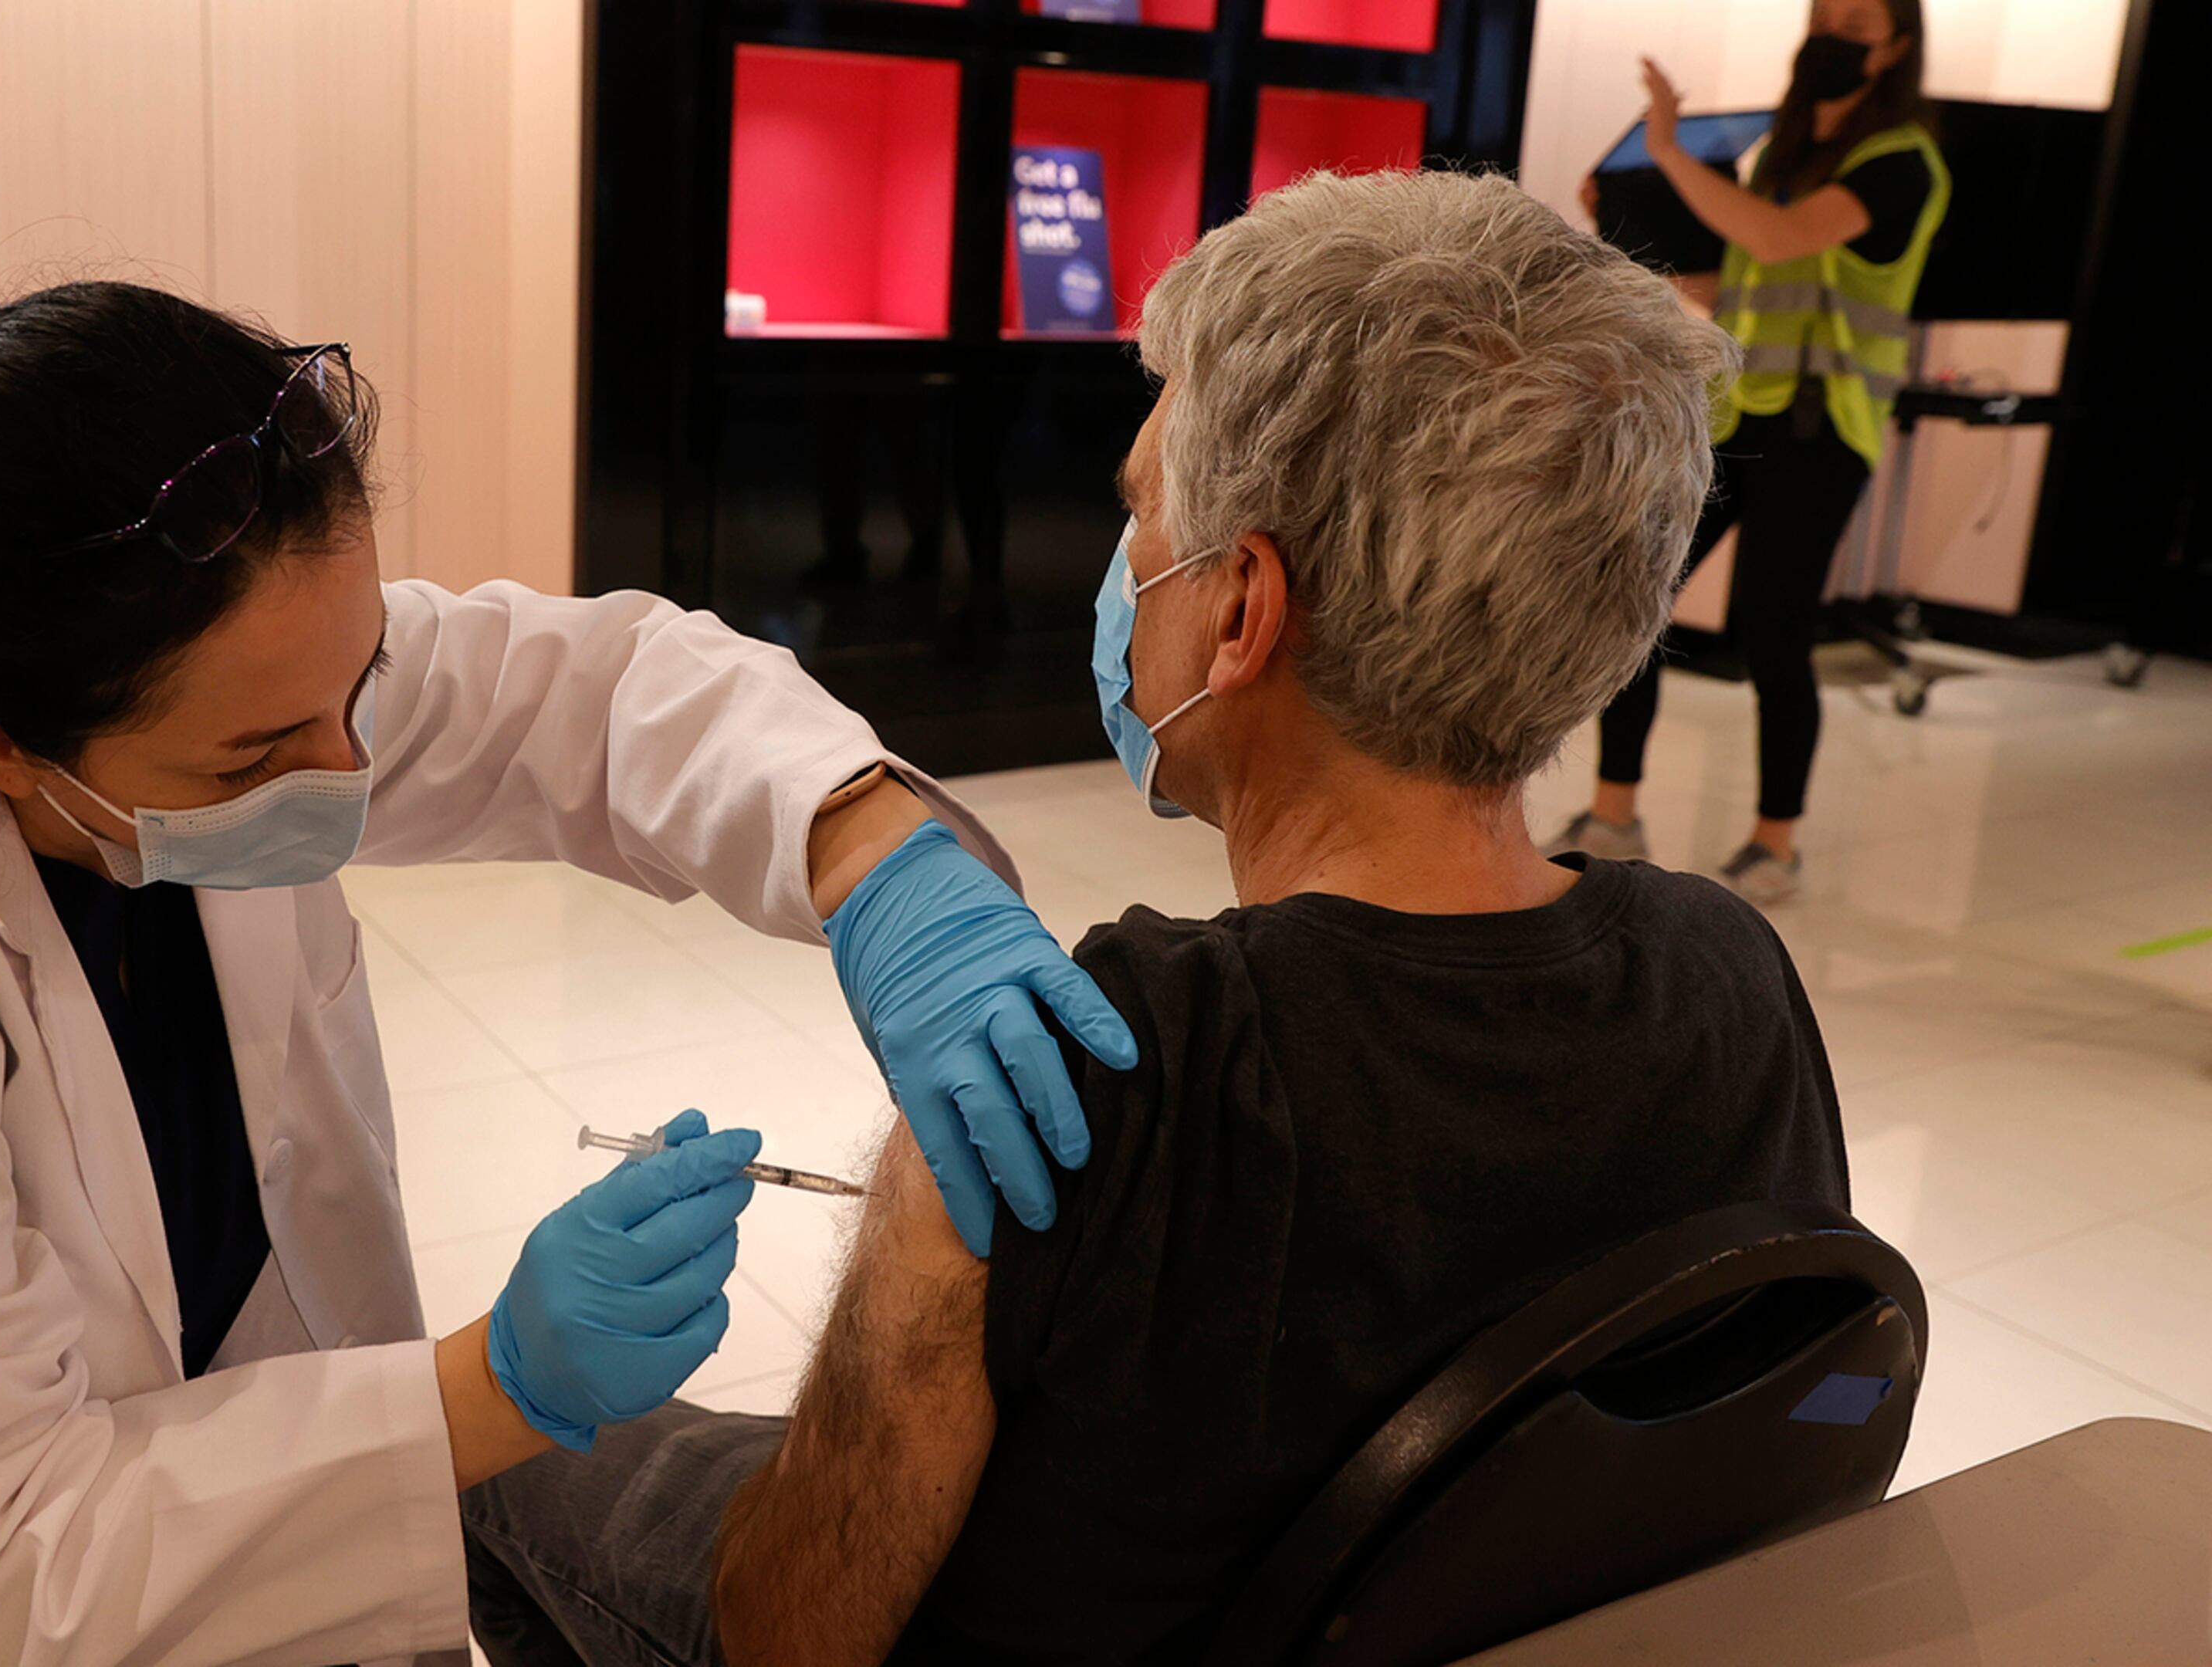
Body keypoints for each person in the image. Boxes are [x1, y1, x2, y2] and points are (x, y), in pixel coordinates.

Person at [0, 282, 1138, 1667]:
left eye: (360, 694)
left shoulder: (232, 665)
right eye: (251, 763)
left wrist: (876, 859)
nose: (345, 772)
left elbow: (595, 691)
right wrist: (496, 1380)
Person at [456, 169, 1855, 1666]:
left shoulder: (1074, 1080)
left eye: (1137, 516)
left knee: (505, 1473)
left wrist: (905, 1242)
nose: (1121, 569)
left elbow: (789, 1631)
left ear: (1244, 610)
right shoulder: (1736, 980)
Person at [1547, 0, 1948, 905]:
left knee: (1774, 630)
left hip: (1824, 425)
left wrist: (1670, 153)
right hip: (1739, 416)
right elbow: (1739, 280)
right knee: (1634, 606)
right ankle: (1615, 814)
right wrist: (1628, 227)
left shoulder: (1901, 164)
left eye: (1858, 22)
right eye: (1827, 14)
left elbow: (1775, 239)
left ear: (1895, 50)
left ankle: (1776, 844)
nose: (1833, 35)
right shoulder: (1783, 157)